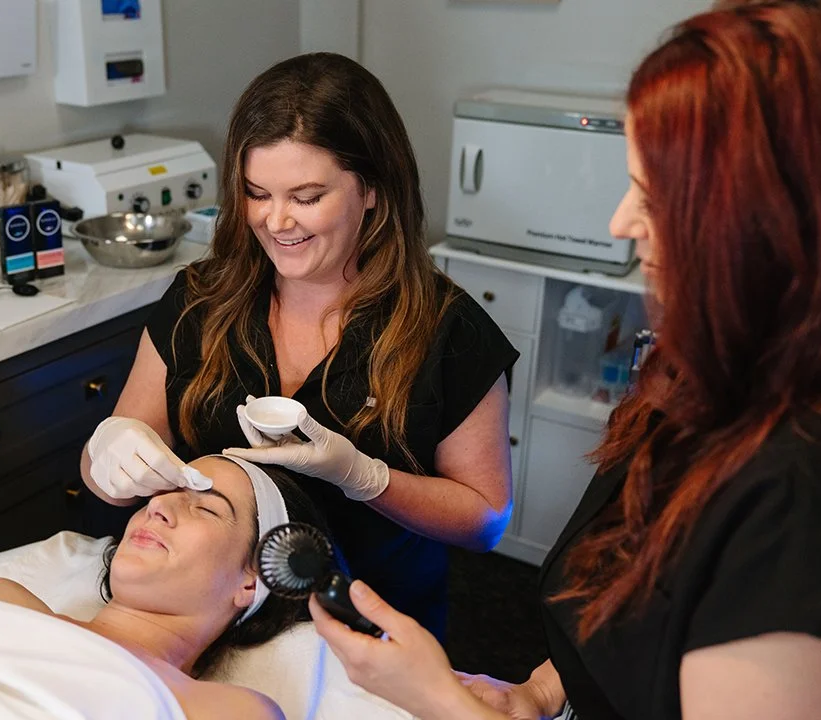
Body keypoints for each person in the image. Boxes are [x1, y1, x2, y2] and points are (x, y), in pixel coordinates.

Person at [304, 2, 821, 719]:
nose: (621, 223)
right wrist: (540, 692)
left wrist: (443, 703)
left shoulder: (807, 500)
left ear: (771, 228)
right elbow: (631, 603)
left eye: (654, 199)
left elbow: (483, 516)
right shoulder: (694, 379)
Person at [80, 52, 519, 637]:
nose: (277, 221)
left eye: (307, 197)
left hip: (370, 634)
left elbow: (484, 520)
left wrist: (366, 477)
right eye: (257, 193)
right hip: (212, 624)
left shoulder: (447, 331)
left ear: (372, 189)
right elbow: (110, 463)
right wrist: (107, 451)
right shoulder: (201, 300)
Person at [0, 456, 328, 719]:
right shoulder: (1, 598)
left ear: (253, 580)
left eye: (206, 509)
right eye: (162, 492)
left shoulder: (226, 711)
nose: (158, 505)